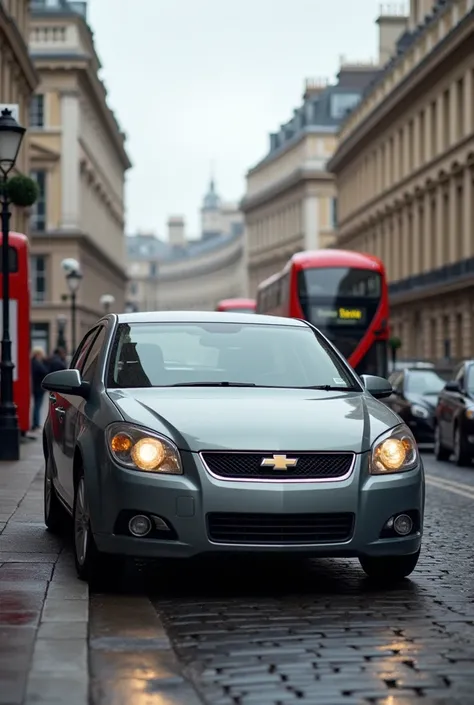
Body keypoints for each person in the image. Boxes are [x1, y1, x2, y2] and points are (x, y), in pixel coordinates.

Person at [31, 347, 48, 431]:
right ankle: (36, 423)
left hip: (35, 387)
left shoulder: (32, 362)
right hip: (38, 387)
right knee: (38, 406)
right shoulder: (37, 363)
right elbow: (45, 371)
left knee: (37, 405)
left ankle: (36, 423)